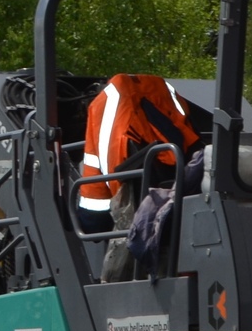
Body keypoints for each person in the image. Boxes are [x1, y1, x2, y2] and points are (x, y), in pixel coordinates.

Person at [77, 74, 201, 279]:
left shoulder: (103, 109)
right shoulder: (165, 94)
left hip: (142, 250)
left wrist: (73, 218)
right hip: (191, 225)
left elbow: (94, 219)